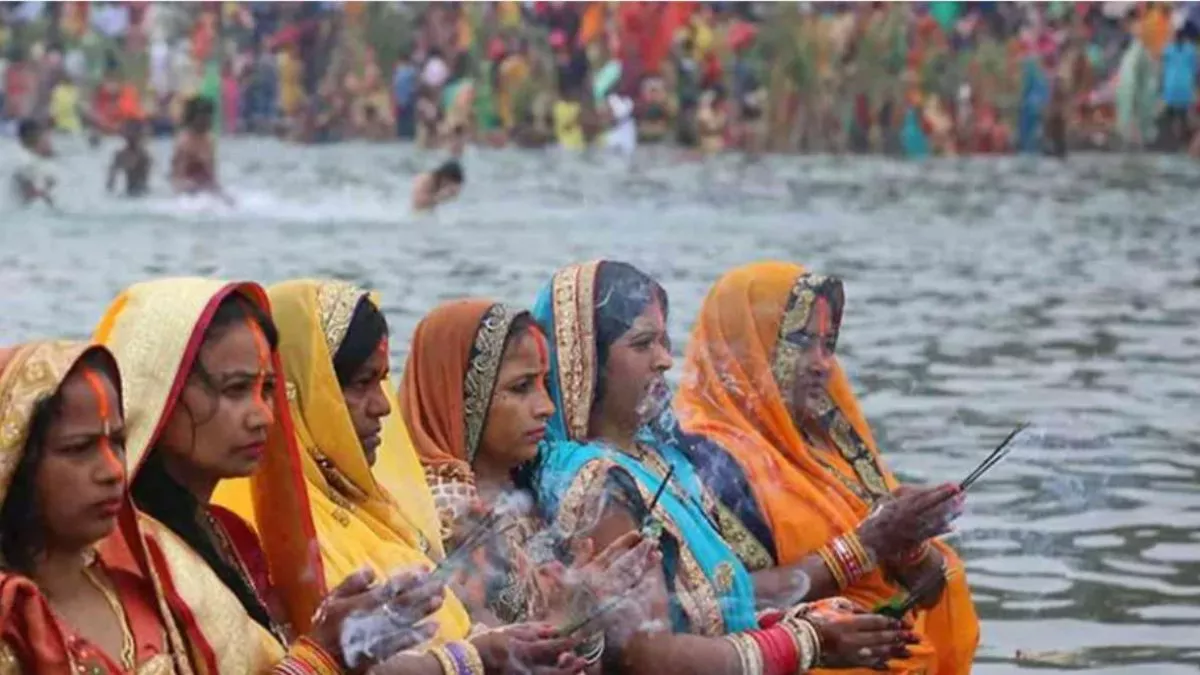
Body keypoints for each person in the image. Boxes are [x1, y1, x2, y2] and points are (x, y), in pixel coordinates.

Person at [531, 261, 921, 674]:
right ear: (584, 361)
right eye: (642, 344)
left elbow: (711, 605)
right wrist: (807, 641)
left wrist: (803, 621)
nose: (665, 360)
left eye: (664, 341)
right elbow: (646, 657)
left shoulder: (661, 457)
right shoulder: (598, 481)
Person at [216, 278, 593, 673]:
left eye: (382, 380)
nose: (383, 405)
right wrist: (476, 660)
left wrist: (543, 643)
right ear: (298, 393)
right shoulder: (262, 530)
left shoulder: (375, 510)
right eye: (362, 383)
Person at [93, 278, 455, 673]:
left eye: (267, 389)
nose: (263, 415)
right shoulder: (122, 557)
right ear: (157, 392)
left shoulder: (231, 536)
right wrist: (322, 655)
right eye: (235, 389)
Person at [674, 262, 980, 675]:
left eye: (828, 344)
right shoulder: (702, 459)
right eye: (801, 342)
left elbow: (926, 593)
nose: (821, 364)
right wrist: (865, 546)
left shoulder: (830, 443)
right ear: (744, 344)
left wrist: (910, 542)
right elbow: (714, 604)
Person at [399, 299, 659, 641]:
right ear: (460, 396)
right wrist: (575, 618)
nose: (546, 407)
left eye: (544, 385)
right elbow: (498, 655)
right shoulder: (449, 513)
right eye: (521, 387)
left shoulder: (526, 485)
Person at [0, 341, 211, 672]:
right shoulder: (10, 616)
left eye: (117, 443)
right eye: (79, 448)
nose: (113, 471)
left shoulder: (155, 585)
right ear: (13, 461)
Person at [171, 96, 229, 200]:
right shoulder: (184, 141)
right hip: (188, 190)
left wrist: (217, 190)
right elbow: (177, 176)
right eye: (204, 118)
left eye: (209, 118)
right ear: (193, 119)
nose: (207, 121)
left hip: (206, 187)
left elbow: (212, 172)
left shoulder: (209, 139)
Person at [12, 118, 56, 208]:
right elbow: (31, 194)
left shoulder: (25, 159)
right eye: (46, 138)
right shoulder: (26, 162)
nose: (51, 142)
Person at [107, 120, 151, 197]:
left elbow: (112, 175)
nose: (131, 135)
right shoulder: (122, 155)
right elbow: (111, 179)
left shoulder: (142, 155)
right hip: (134, 192)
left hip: (137, 192)